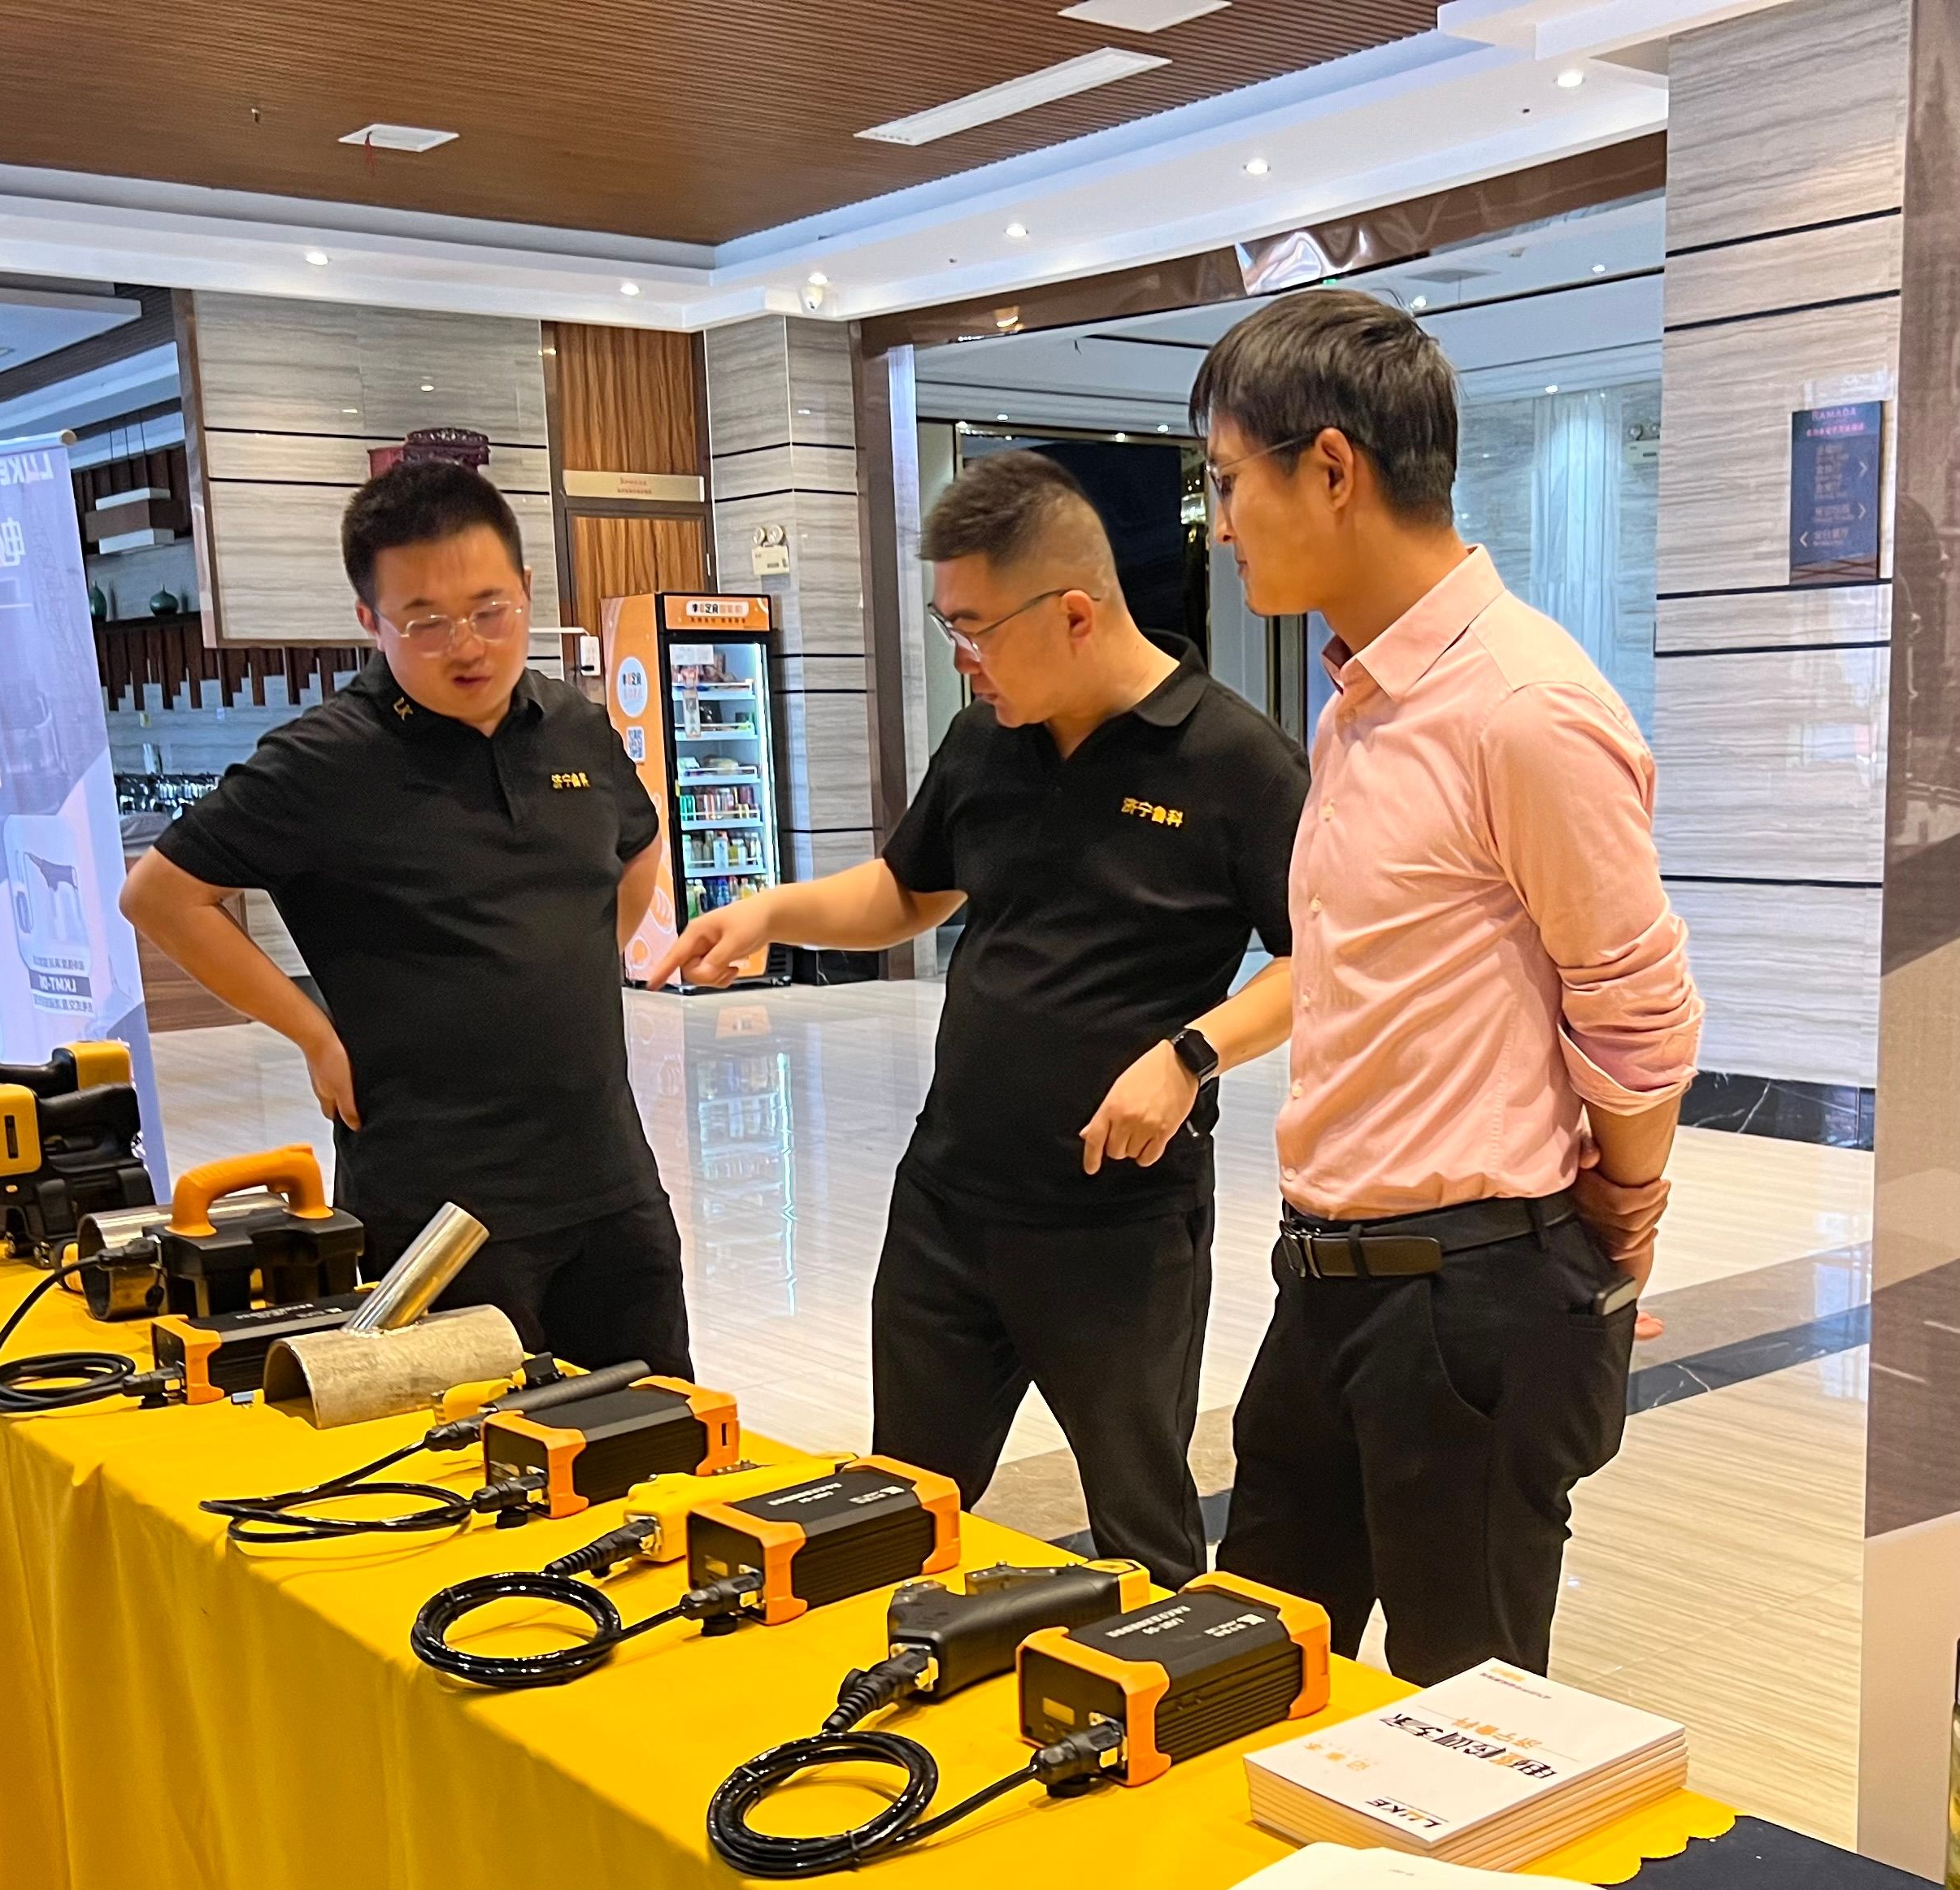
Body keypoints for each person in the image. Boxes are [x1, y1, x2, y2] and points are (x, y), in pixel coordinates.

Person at [654, 450, 1307, 1587]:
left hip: (1117, 1221)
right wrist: (769, 910)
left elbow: (1319, 959)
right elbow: (907, 892)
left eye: (973, 629)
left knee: (1141, 1526)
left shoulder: (1236, 762)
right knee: (899, 1504)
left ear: (1073, 613)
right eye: (947, 626)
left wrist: (1188, 1055)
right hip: (948, 1196)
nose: (962, 659)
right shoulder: (982, 741)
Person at [1194, 289, 1702, 1683]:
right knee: (1249, 1680)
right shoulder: (1361, 703)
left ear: (1331, 469)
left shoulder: (1522, 706)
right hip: (1324, 1280)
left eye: (1227, 481)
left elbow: (1637, 1006)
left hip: (1467, 1298)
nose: (1219, 524)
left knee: (1461, 1725)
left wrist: (1617, 1225)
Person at [121, 461, 688, 1374]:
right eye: (424, 621)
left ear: (526, 590)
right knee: (472, 1443)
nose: (467, 645)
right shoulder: (324, 761)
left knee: (652, 1424)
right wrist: (312, 1031)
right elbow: (160, 895)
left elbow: (637, 844)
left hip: (609, 1181)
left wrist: (571, 965)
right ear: (370, 620)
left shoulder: (573, 725)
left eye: (491, 610)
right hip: (433, 1202)